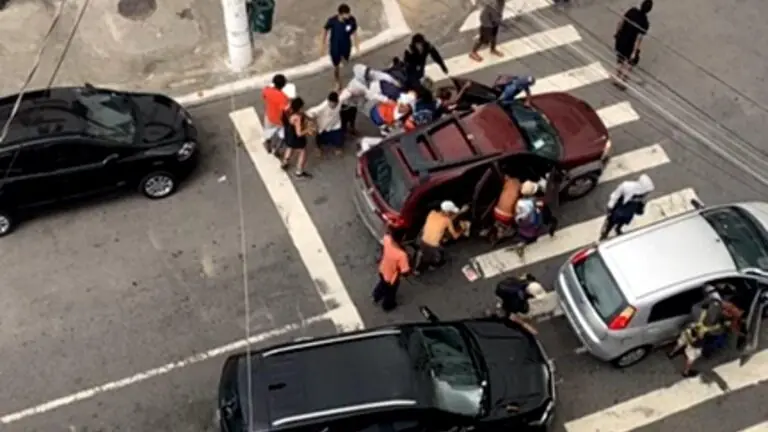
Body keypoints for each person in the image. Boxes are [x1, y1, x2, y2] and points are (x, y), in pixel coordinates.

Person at [669, 285, 727, 377]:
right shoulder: (716, 328)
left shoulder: (699, 311)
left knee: (679, 343)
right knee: (691, 358)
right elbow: (721, 331)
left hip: (687, 333)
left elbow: (694, 306)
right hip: (695, 344)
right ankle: (686, 372)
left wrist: (707, 300)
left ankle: (672, 353)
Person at [413, 200, 469, 273]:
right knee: (432, 258)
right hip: (432, 245)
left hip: (422, 240)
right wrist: (463, 229)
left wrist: (460, 211)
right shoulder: (447, 220)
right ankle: (426, 268)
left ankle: (421, 264)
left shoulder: (432, 213)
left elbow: (445, 219)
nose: (452, 213)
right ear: (448, 212)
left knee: (426, 253)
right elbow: (455, 236)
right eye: (451, 212)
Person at [600, 174, 655, 240]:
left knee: (623, 221)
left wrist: (642, 205)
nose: (647, 194)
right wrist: (610, 206)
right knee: (611, 222)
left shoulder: (643, 197)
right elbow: (615, 195)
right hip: (618, 208)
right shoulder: (626, 186)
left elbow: (640, 210)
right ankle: (605, 234)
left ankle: (618, 228)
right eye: (647, 192)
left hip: (629, 212)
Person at [613, 0, 653, 89]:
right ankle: (623, 81)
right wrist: (634, 52)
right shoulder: (645, 23)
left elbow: (621, 22)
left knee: (620, 58)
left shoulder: (632, 11)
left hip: (621, 39)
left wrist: (617, 33)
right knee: (632, 61)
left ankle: (616, 77)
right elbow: (638, 39)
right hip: (630, 44)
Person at [321, 3, 360, 90]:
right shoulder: (333, 21)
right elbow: (325, 29)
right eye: (347, 14)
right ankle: (337, 82)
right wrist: (323, 44)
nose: (349, 15)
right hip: (335, 46)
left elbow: (355, 33)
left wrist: (357, 46)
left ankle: (342, 64)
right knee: (336, 65)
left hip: (346, 45)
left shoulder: (351, 20)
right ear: (341, 14)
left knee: (345, 60)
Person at [373, 230, 411, 311]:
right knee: (391, 292)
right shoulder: (402, 255)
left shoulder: (387, 239)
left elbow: (385, 237)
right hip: (391, 277)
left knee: (382, 283)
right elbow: (405, 271)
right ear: (402, 239)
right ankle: (387, 305)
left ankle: (376, 296)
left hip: (382, 269)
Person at [280, 98, 313, 178]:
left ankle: (285, 163)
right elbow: (299, 133)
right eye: (302, 107)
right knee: (302, 152)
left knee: (289, 147)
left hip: (288, 134)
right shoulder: (297, 118)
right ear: (299, 108)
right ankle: (299, 171)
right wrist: (307, 130)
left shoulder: (288, 110)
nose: (303, 108)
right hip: (296, 138)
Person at [261, 74, 291, 154]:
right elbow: (286, 111)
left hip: (269, 117)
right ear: (283, 85)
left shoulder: (266, 90)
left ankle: (268, 146)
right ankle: (277, 150)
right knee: (282, 136)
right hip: (280, 120)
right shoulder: (284, 98)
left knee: (268, 133)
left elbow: (264, 96)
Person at [307, 92, 344, 156]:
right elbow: (309, 113)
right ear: (328, 101)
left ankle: (338, 147)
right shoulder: (322, 106)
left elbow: (344, 93)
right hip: (323, 125)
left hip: (335, 124)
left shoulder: (340, 101)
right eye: (331, 104)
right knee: (319, 138)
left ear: (337, 102)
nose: (332, 106)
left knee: (338, 137)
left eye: (334, 104)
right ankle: (318, 148)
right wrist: (311, 123)